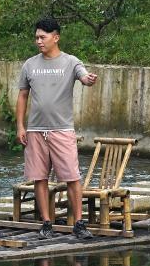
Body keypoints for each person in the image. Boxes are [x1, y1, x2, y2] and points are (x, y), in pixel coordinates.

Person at [15, 17, 98, 240]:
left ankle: (79, 223)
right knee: (39, 177)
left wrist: (88, 79)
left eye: (43, 37)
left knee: (72, 176)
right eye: (36, 38)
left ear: (56, 37)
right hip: (35, 130)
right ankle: (46, 223)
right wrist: (20, 126)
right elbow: (22, 96)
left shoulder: (70, 62)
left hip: (62, 129)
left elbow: (83, 76)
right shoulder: (29, 64)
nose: (39, 41)